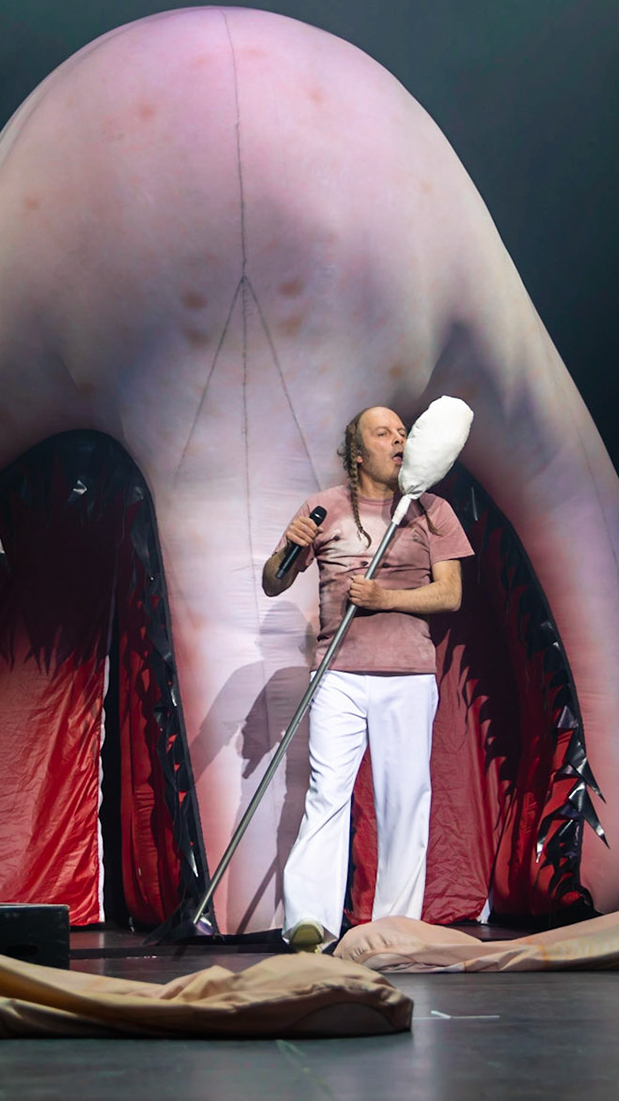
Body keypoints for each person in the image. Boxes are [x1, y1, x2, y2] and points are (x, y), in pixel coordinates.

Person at [263, 405, 473, 951]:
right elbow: (272, 584)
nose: (399, 439)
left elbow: (450, 594)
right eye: (385, 433)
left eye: (403, 432)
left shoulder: (434, 511)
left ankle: (394, 929)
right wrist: (287, 546)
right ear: (358, 452)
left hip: (407, 674)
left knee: (405, 798)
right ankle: (310, 922)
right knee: (326, 793)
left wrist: (387, 598)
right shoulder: (322, 508)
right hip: (338, 674)